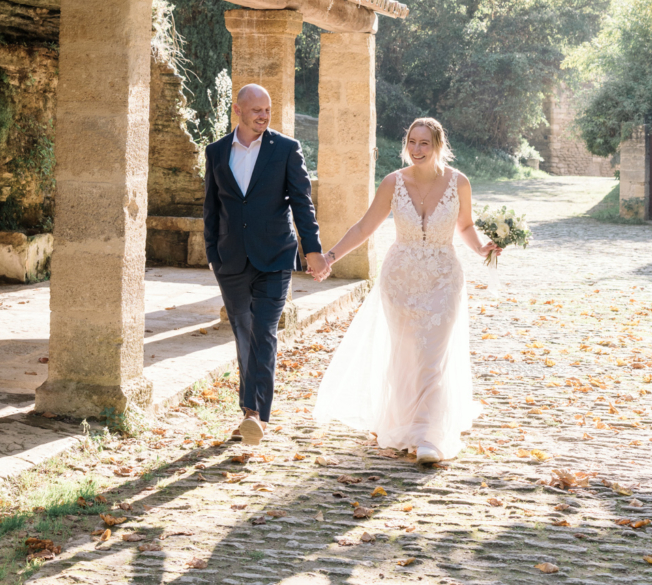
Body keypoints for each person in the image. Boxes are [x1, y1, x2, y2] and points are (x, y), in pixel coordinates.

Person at [310, 116, 499, 462]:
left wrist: (484, 246)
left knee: (432, 355)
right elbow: (365, 225)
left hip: (443, 278)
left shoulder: (460, 183)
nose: (417, 150)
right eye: (412, 142)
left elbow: (467, 226)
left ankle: (428, 435)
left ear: (439, 146)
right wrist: (330, 256)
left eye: (424, 143)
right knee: (407, 353)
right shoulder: (393, 183)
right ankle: (404, 424)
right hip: (400, 280)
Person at [203, 83, 328, 445]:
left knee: (264, 329)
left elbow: (302, 203)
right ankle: (250, 413)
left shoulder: (286, 150)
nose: (263, 115)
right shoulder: (215, 152)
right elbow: (212, 207)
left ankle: (254, 413)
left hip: (275, 255)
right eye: (256, 109)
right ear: (238, 110)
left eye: (267, 110)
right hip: (230, 259)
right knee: (243, 330)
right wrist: (212, 253)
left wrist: (313, 249)